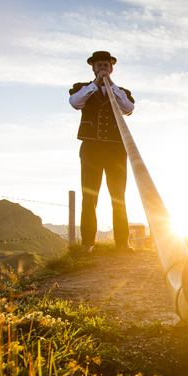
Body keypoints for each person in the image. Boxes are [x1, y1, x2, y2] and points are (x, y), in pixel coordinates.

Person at [69, 51, 136, 253]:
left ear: (111, 68)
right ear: (93, 68)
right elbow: (75, 103)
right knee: (89, 197)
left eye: (105, 65)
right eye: (98, 66)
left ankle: (122, 243)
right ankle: (88, 244)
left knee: (119, 196)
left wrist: (111, 86)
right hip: (91, 149)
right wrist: (95, 84)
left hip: (116, 149)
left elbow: (129, 108)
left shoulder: (121, 91)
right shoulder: (82, 89)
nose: (102, 69)